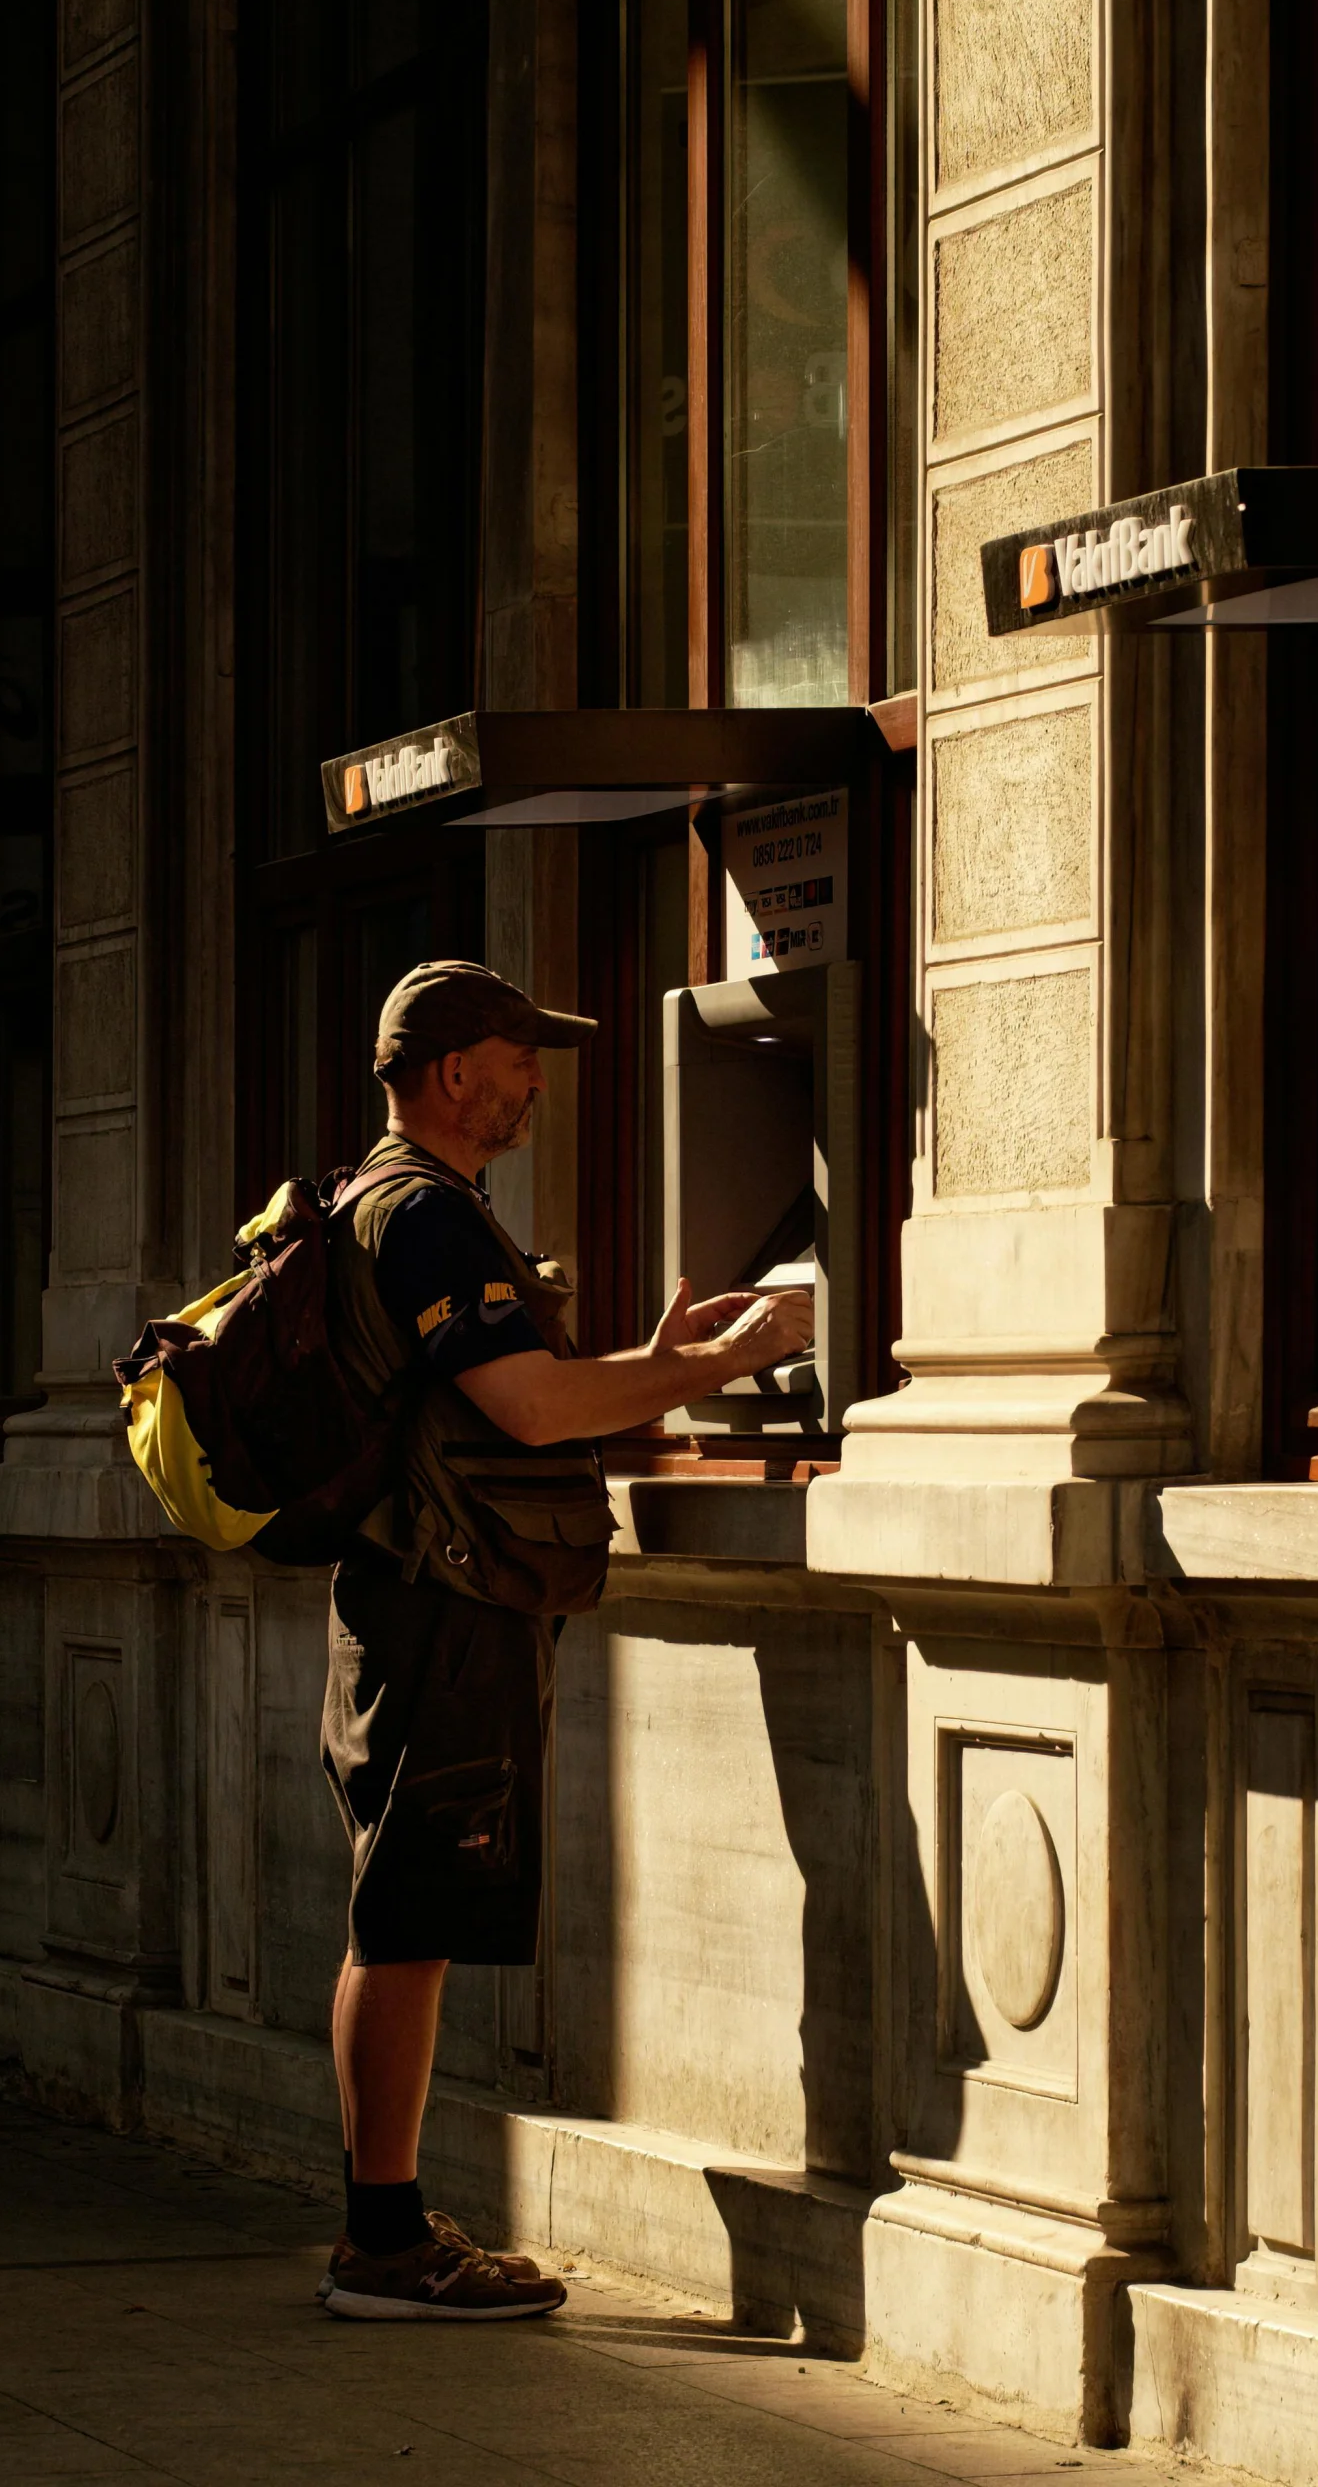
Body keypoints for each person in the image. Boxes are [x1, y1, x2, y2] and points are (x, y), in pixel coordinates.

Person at [313, 959, 813, 2321]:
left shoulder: (400, 1199)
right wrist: (728, 1361)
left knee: (398, 1912)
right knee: (407, 1917)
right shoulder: (421, 1213)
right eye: (519, 1055)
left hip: (421, 1594)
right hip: (442, 1604)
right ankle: (384, 2244)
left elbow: (510, 1402)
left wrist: (656, 1357)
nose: (538, 1080)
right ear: (449, 1071)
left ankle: (386, 2222)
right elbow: (530, 1410)